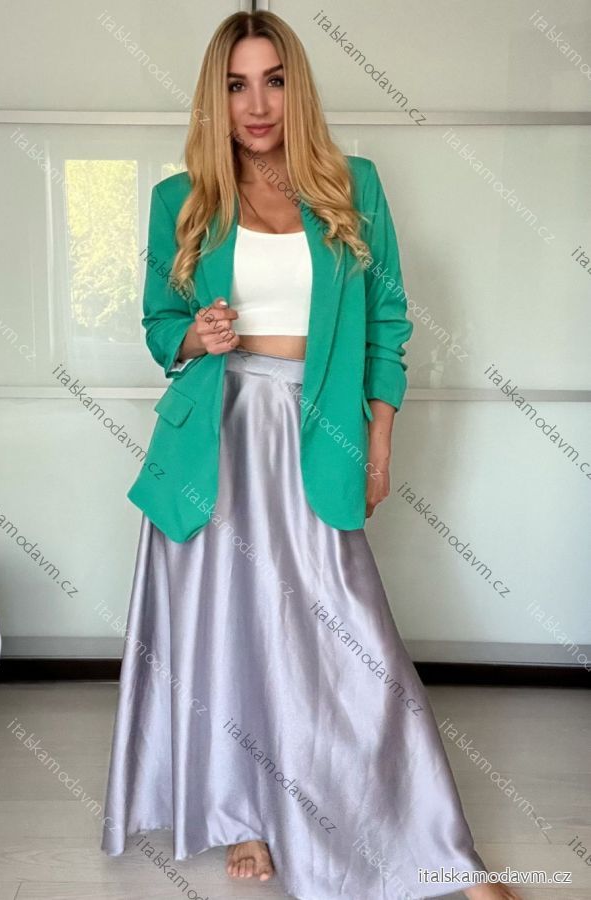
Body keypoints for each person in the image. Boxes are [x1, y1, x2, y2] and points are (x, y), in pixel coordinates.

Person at [102, 10, 521, 900]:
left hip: (317, 429)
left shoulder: (352, 186)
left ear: (297, 88)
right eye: (235, 85)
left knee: (351, 642)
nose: (256, 104)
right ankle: (246, 818)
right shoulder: (181, 199)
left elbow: (388, 324)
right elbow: (158, 326)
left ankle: (440, 853)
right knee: (229, 633)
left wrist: (378, 439)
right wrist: (195, 334)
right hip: (214, 437)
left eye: (274, 80)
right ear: (215, 97)